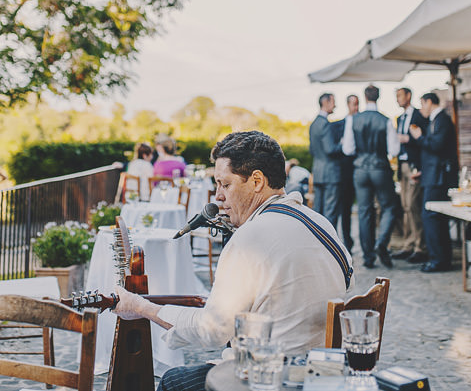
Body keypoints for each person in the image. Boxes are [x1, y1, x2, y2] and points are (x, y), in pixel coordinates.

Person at [113, 131, 353, 391]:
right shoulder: (320, 222)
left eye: (225, 184)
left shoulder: (249, 239)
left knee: (173, 381)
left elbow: (213, 330)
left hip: (275, 376)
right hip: (326, 370)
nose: (217, 196)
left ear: (257, 181)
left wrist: (141, 307)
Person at [342, 85, 400, 269]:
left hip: (360, 170)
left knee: (364, 212)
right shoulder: (386, 120)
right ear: (379, 97)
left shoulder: (354, 120)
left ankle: (368, 257)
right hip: (380, 169)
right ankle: (382, 242)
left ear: (364, 97)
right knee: (389, 207)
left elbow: (348, 149)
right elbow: (394, 151)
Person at [409, 92, 459, 272]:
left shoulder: (442, 119)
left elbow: (436, 146)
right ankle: (439, 258)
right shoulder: (436, 120)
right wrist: (423, 172)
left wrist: (419, 137)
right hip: (432, 175)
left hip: (439, 178)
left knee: (431, 217)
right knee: (434, 218)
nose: (421, 108)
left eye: (422, 104)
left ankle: (439, 260)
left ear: (429, 102)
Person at [393, 88, 429, 264]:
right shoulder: (399, 118)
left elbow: (424, 139)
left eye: (399, 95)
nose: (397, 99)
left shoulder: (419, 116)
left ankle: (420, 247)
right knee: (405, 205)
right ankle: (408, 245)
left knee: (414, 205)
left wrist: (408, 139)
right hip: (402, 165)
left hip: (414, 165)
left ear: (408, 96)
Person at [330, 94, 359, 251]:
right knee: (344, 208)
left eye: (357, 104)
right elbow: (332, 150)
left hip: (360, 170)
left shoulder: (362, 122)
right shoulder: (337, 125)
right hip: (343, 173)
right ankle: (346, 241)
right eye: (353, 104)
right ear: (347, 105)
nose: (356, 108)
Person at [309, 93, 341, 227]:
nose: (335, 105)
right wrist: (342, 144)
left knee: (317, 212)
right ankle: (330, 245)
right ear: (326, 103)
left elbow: (312, 149)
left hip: (317, 171)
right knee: (330, 213)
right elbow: (330, 149)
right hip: (330, 173)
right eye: (333, 102)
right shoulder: (325, 124)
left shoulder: (313, 124)